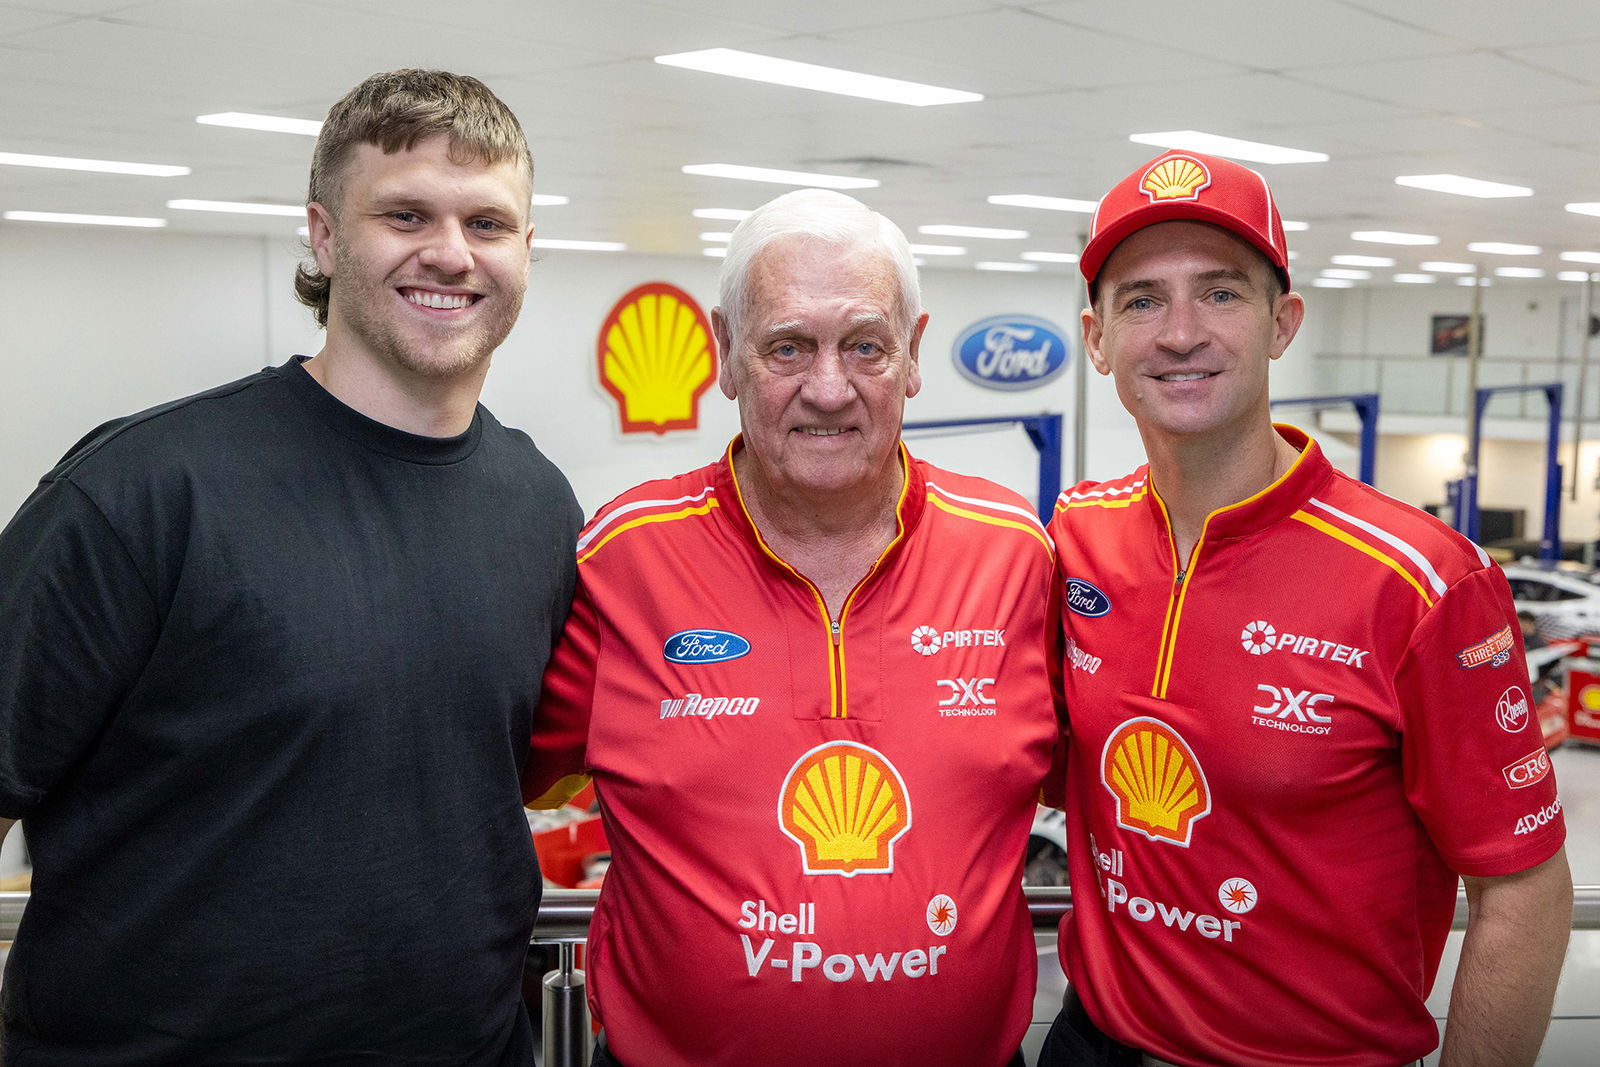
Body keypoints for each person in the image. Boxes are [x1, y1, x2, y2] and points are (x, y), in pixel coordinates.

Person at [0, 69, 580, 1064]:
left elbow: (506, 777)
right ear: (322, 235)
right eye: (405, 213)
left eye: (487, 223)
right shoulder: (144, 491)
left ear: (526, 250)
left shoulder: (538, 504)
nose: (449, 251)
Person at [1040, 149, 1572, 1067]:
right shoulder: (1075, 534)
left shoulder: (1422, 581)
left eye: (1220, 293)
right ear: (1096, 340)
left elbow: (1523, 887)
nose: (1178, 333)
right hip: (1093, 1044)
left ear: (1282, 322)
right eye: (1141, 300)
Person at [523, 188, 1061, 1067]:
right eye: (787, 346)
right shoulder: (620, 560)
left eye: (864, 345)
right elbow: (488, 778)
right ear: (725, 352)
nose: (828, 387)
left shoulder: (1017, 555)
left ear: (915, 353)